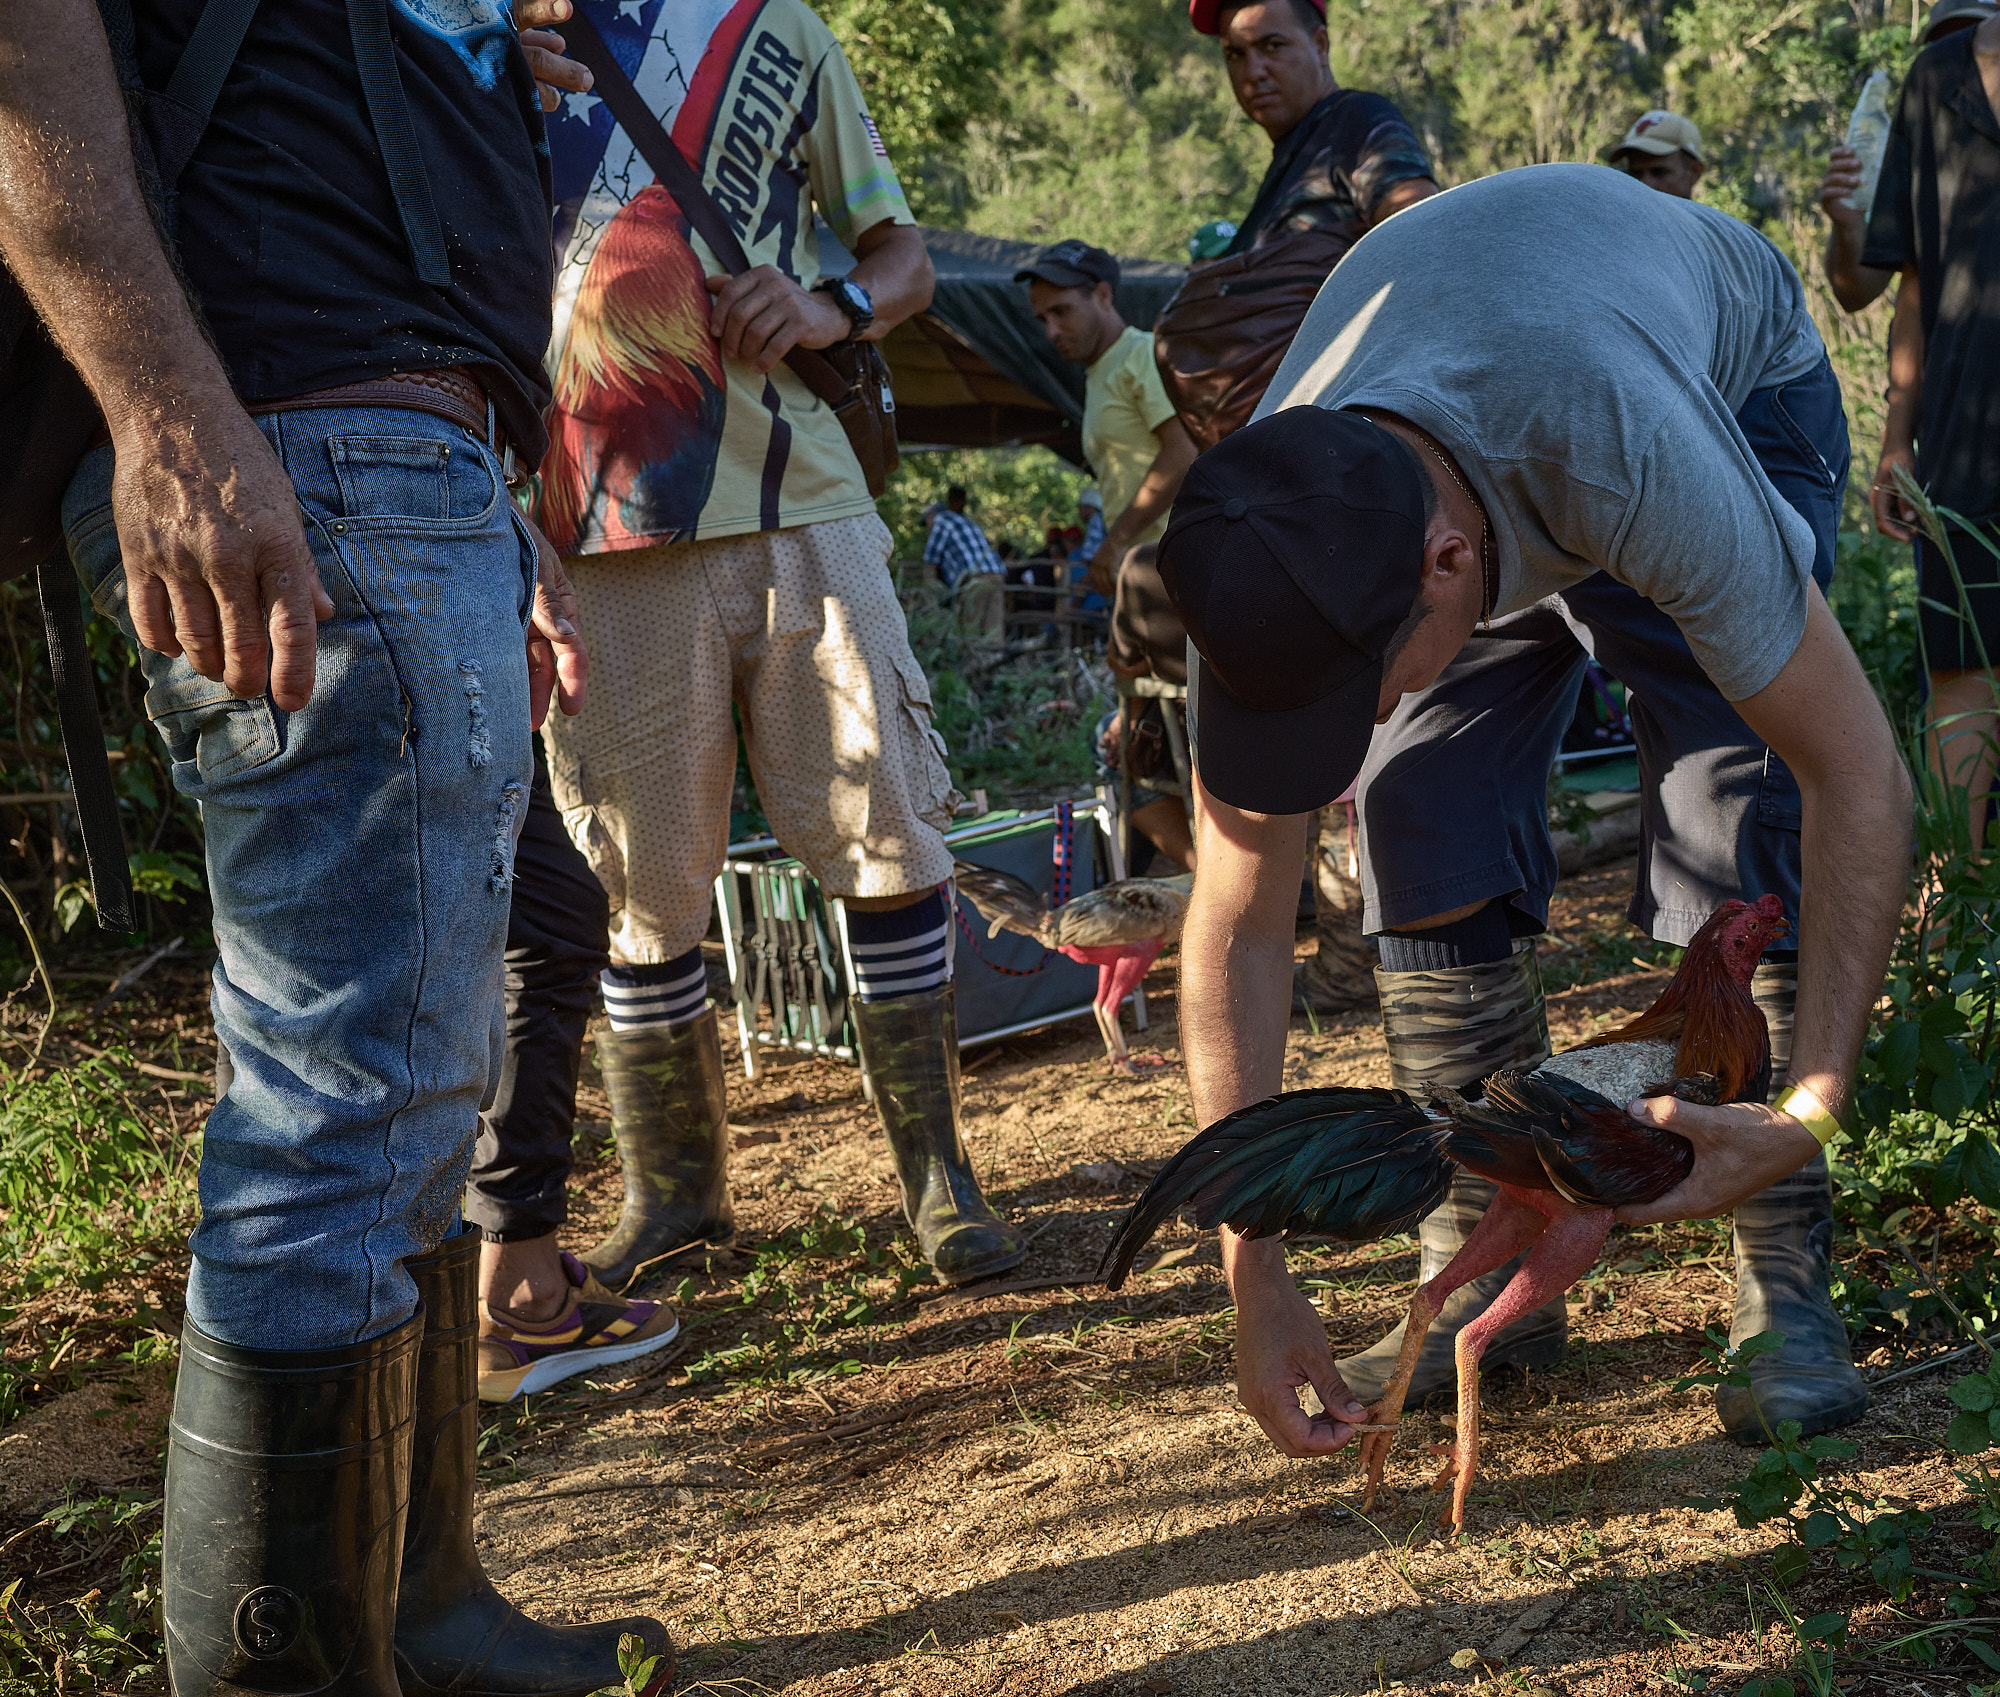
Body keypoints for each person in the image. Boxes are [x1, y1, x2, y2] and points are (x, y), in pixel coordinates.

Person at [0, 0, 675, 1688]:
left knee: (409, 1096)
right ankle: (285, 1666)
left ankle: (417, 1609)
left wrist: (485, 482)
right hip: (298, 442)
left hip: (391, 457)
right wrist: (166, 408)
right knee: (347, 1107)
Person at [1156, 166, 1909, 1464]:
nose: (1348, 713)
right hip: (1484, 436)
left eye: (1367, 675)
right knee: (1410, 802)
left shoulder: (1630, 448)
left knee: (1735, 795)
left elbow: (1862, 777)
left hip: (1715, 381)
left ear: (1449, 568)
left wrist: (1810, 1112)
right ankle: (1493, 1227)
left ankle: (1781, 1267)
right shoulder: (1275, 522)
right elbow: (1236, 921)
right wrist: (1253, 1264)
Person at [531, 0, 1027, 1300]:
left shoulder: (773, 28)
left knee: (888, 835)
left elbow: (901, 256)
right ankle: (678, 1198)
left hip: (800, 495)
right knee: (638, 887)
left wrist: (830, 303)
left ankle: (939, 1183)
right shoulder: (480, 34)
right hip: (591, 522)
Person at [1823, 11, 2000, 852]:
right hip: (1967, 429)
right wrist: (1899, 436)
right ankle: (1952, 919)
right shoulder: (1939, 77)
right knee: (1964, 668)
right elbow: (1913, 280)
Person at [1018, 239, 1199, 599]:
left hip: (1172, 564)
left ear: (1102, 295)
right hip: (1140, 567)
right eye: (1043, 319)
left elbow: (1183, 451)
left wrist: (1114, 543)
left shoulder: (1141, 354)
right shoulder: (1100, 371)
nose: (1050, 331)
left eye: (1061, 312)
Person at [1194, 0, 1437, 257]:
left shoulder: (1354, 123)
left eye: (1273, 46)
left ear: (1321, 44)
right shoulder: (1292, 162)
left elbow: (1427, 236)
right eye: (1235, 54)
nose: (1253, 72)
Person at [1607, 109, 1707, 199]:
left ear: (1695, 172)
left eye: (1659, 173)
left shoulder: (1713, 219)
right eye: (1635, 175)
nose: (1645, 185)